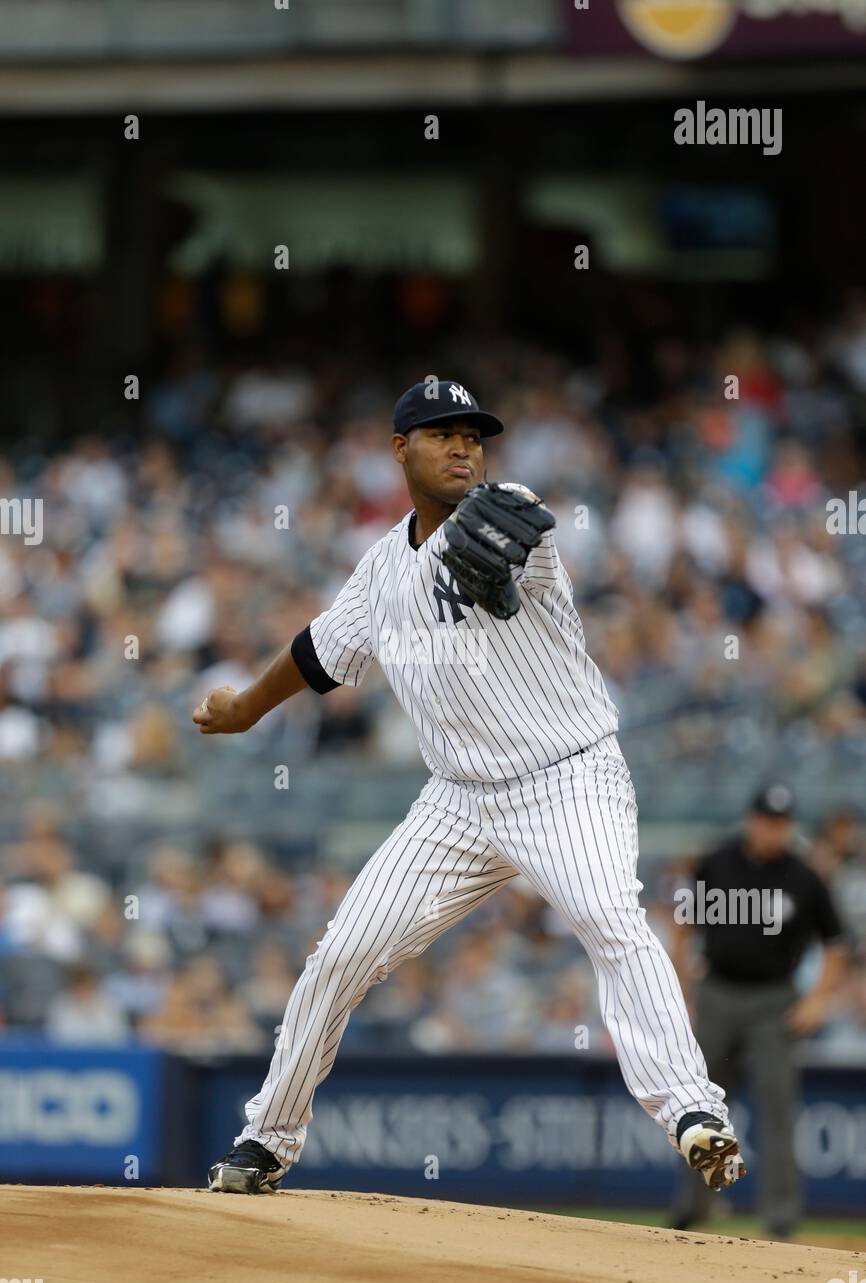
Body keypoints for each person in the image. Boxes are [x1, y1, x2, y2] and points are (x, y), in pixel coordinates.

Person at [195, 379, 745, 1197]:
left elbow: (518, 538)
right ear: (399, 449)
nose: (462, 447)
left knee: (609, 917)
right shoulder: (381, 571)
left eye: (473, 436)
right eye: (440, 433)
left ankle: (695, 1113)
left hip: (568, 776)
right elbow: (316, 654)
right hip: (456, 801)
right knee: (341, 953)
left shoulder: (509, 507)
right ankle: (265, 1140)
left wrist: (508, 566)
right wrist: (243, 706)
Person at [669, 783, 848, 1239]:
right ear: (751, 819)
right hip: (718, 994)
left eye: (783, 823)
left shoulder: (805, 877)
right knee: (704, 1109)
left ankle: (781, 1219)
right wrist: (683, 988)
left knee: (776, 1110)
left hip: (774, 1002)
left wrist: (818, 998)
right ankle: (696, 1210)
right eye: (769, 821)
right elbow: (684, 923)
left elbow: (837, 944)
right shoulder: (719, 860)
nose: (775, 831)